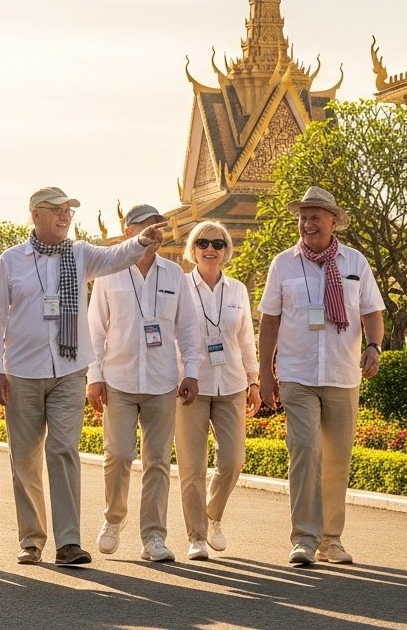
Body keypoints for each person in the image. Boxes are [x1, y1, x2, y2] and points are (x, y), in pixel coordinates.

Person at [0, 186, 165, 566]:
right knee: (25, 457)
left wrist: (142, 242)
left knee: (63, 449)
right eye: (55, 210)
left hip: (69, 370)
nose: (65, 216)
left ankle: (68, 542)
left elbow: (116, 255)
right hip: (22, 372)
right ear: (35, 215)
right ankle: (32, 540)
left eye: (68, 210)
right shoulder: (12, 260)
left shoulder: (80, 254)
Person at [257, 186, 384, 565]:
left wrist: (374, 347)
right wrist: (265, 372)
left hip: (343, 372)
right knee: (305, 450)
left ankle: (332, 539)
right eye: (303, 217)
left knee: (337, 458)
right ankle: (304, 538)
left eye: (315, 217)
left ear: (333, 221)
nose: (308, 223)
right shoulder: (283, 263)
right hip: (297, 371)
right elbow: (270, 319)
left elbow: (372, 311)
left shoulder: (355, 262)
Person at [88, 204, 203, 563]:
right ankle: (113, 519)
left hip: (162, 380)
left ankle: (153, 535)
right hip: (119, 379)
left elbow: (187, 328)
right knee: (119, 455)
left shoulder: (175, 275)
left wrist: (191, 371)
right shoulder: (109, 274)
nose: (155, 233)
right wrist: (95, 376)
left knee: (156, 462)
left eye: (159, 227)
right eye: (146, 227)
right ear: (128, 232)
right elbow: (95, 329)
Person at [175, 220, 259, 560]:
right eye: (204, 243)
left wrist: (253, 380)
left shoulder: (237, 289)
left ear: (226, 251)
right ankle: (196, 535)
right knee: (192, 467)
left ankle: (212, 515)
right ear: (193, 249)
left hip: (232, 382)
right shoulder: (179, 287)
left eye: (218, 243)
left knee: (233, 459)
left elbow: (245, 338)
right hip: (190, 384)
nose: (211, 248)